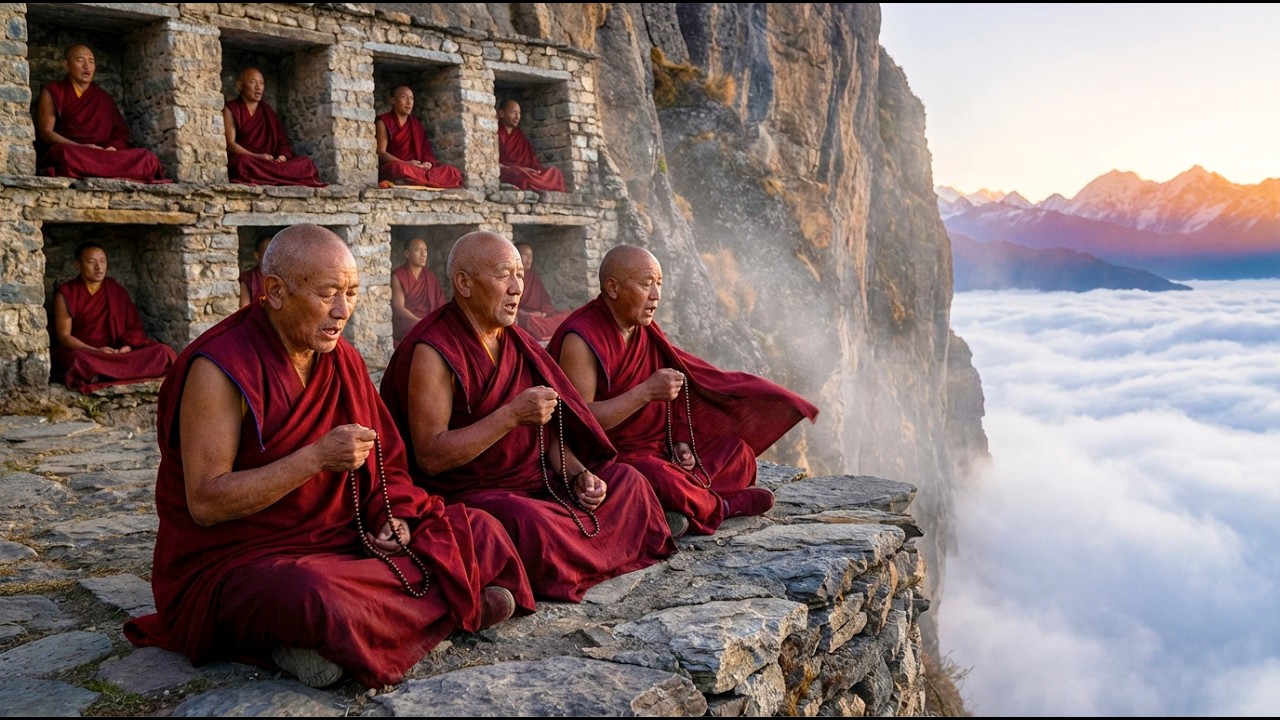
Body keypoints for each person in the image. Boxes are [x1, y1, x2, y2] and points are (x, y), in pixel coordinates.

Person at [123, 225, 535, 690]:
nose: (343, 311)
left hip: (343, 539)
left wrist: (392, 514)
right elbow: (206, 501)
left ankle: (349, 636)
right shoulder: (219, 367)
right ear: (274, 291)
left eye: (352, 294)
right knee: (315, 596)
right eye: (327, 294)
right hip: (243, 559)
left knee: (479, 530)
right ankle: (441, 607)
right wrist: (314, 459)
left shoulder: (344, 360)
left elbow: (389, 466)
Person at [379, 231, 676, 602]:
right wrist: (509, 416)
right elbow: (431, 455)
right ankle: (596, 553)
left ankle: (585, 556)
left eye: (519, 275)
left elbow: (547, 433)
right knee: (529, 522)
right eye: (505, 275)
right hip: (474, 491)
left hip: (537, 481)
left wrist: (578, 474)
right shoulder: (434, 349)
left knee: (627, 480)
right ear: (464, 283)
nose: (517, 287)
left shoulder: (515, 340)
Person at [548, 245, 820, 537]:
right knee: (654, 478)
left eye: (659, 284)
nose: (656, 295)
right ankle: (721, 508)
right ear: (613, 288)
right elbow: (580, 421)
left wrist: (679, 442)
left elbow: (678, 398)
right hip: (611, 458)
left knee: (738, 454)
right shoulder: (582, 338)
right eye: (646, 284)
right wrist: (645, 392)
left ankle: (681, 511)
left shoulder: (644, 330)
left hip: (658, 451)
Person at [50, 242, 177, 394]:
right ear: (78, 265)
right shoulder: (66, 293)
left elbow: (133, 329)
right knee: (79, 360)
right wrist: (96, 351)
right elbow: (64, 336)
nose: (99, 267)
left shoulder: (115, 290)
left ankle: (103, 374)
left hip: (116, 353)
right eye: (91, 262)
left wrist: (126, 348)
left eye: (102, 261)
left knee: (163, 351)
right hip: (87, 352)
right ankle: (109, 371)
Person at [34, 44, 168, 182]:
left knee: (146, 157)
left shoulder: (103, 97)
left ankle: (99, 170)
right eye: (80, 60)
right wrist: (81, 147)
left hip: (102, 154)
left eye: (91, 61)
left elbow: (121, 134)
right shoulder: (54, 91)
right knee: (64, 155)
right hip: (75, 151)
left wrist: (113, 148)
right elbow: (46, 132)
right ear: (66, 65)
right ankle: (107, 171)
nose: (87, 66)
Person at [223, 68, 325, 187]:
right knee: (241, 163)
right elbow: (230, 144)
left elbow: (283, 142)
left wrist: (282, 156)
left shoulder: (268, 111)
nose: (258, 87)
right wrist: (258, 156)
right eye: (252, 82)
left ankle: (266, 177)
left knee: (306, 163)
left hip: (269, 162)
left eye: (261, 83)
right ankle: (274, 177)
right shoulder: (231, 108)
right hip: (250, 160)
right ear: (240, 85)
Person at [376, 86, 464, 189]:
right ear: (392, 100)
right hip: (400, 166)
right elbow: (381, 152)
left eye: (412, 98)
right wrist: (406, 163)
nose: (409, 102)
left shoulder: (415, 124)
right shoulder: (384, 121)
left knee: (452, 171)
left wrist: (427, 163)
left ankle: (415, 180)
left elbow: (425, 150)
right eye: (404, 97)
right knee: (398, 168)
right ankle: (423, 180)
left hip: (417, 168)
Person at [496, 99, 566, 193]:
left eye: (519, 113)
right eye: (513, 112)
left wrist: (536, 170)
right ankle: (536, 184)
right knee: (519, 174)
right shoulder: (495, 133)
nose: (517, 117)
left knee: (555, 173)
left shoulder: (519, 136)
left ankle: (535, 183)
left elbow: (531, 159)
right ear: (501, 114)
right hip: (508, 170)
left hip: (527, 171)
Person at [391, 237, 447, 348]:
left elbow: (441, 304)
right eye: (418, 250)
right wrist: (419, 321)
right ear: (407, 253)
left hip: (428, 320)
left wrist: (434, 320)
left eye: (425, 250)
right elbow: (398, 307)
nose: (424, 254)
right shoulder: (398, 275)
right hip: (407, 322)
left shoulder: (429, 276)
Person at [514, 243, 571, 343]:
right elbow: (511, 306)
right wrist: (530, 314)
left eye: (531, 257)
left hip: (540, 315)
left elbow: (544, 300)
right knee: (531, 322)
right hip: (526, 315)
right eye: (526, 255)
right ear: (517, 256)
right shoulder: (514, 275)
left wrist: (543, 313)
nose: (529, 260)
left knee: (567, 315)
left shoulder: (533, 274)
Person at [238, 235, 271, 309]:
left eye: (273, 253)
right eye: (267, 253)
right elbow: (244, 309)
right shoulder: (248, 278)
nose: (271, 257)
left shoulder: (283, 276)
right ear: (257, 255)